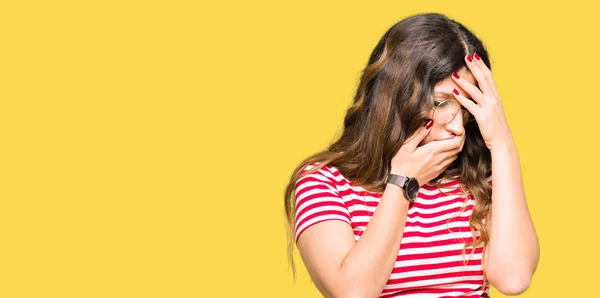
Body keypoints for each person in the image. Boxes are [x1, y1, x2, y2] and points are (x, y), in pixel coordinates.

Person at [283, 12, 540, 298]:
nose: (457, 126)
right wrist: (403, 182)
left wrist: (502, 146)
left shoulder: (479, 175)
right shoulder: (324, 183)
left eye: (467, 107)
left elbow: (514, 279)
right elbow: (353, 293)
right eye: (441, 103)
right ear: (396, 97)